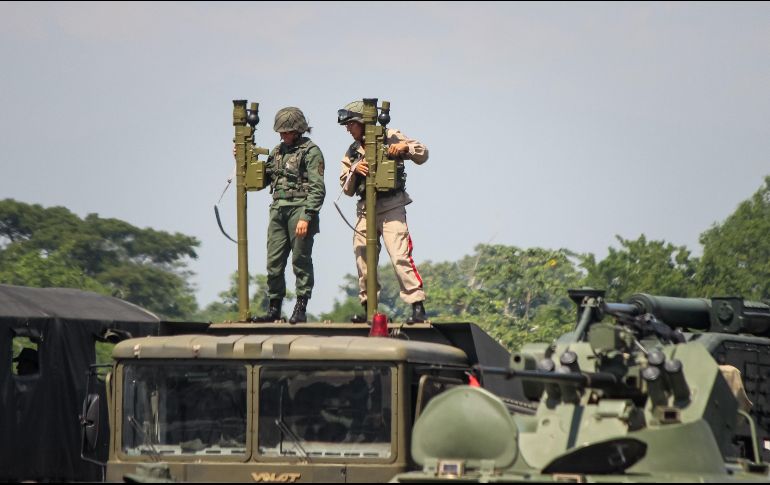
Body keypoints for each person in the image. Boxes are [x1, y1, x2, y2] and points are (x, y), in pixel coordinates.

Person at [337, 101, 428, 324]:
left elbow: (423, 153)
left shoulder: (390, 136)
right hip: (365, 209)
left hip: (391, 206)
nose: (348, 129)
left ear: (362, 122)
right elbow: (346, 189)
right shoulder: (353, 151)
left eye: (351, 124)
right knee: (362, 255)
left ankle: (417, 305)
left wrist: (403, 147)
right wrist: (354, 170)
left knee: (399, 256)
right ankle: (369, 307)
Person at [252, 107, 326, 324]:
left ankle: (301, 307)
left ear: (297, 130)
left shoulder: (311, 152)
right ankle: (274, 308)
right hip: (278, 208)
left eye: (286, 132)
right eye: (281, 132)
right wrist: (243, 160)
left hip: (300, 207)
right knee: (273, 261)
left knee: (300, 260)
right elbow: (260, 180)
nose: (282, 135)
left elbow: (318, 188)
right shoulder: (277, 152)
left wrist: (307, 215)